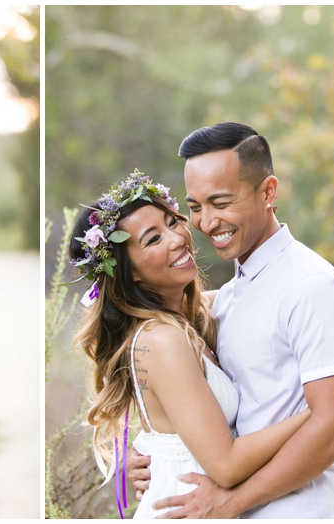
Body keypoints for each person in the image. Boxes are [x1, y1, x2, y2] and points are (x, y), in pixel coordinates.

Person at [128, 122, 334, 518]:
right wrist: (152, 449)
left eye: (220, 203)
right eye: (195, 207)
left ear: (268, 192)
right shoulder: (229, 298)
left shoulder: (311, 288)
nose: (205, 222)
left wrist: (233, 501)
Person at [69, 170, 311, 519]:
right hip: (184, 507)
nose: (177, 238)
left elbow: (260, 289)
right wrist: (314, 416)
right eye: (153, 239)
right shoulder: (162, 339)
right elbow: (225, 465)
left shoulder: (193, 315)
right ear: (129, 272)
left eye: (172, 221)